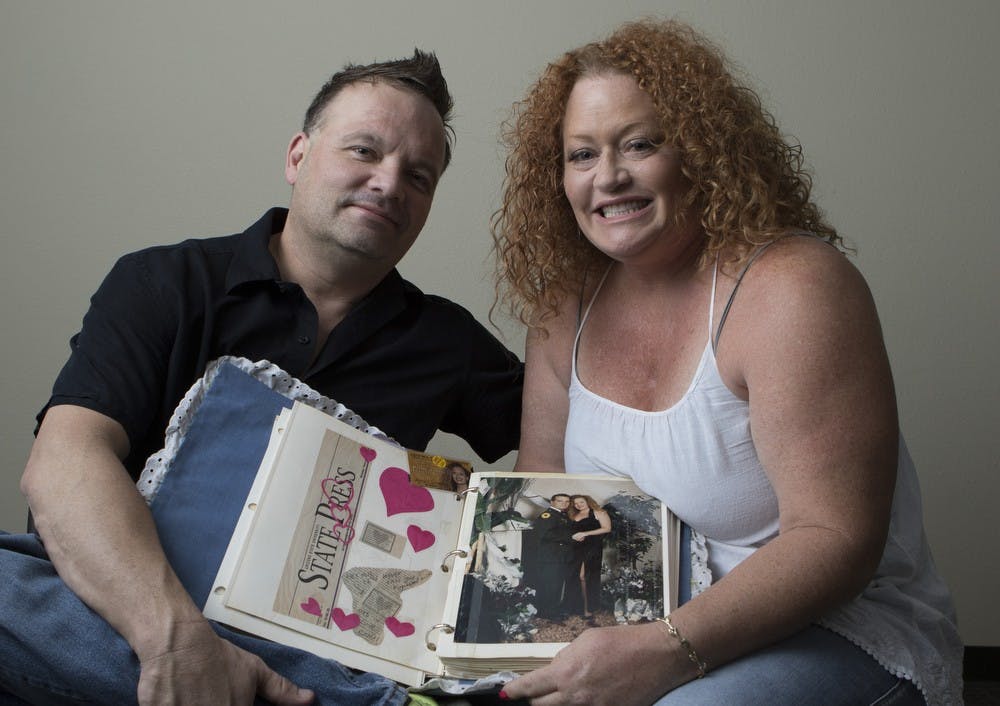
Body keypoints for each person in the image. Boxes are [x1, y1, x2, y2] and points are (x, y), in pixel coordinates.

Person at [2, 50, 523, 705]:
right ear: (298, 155)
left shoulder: (448, 342)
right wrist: (177, 640)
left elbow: (573, 442)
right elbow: (62, 466)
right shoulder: (164, 282)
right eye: (364, 150)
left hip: (313, 652)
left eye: (417, 176)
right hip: (119, 616)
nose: (389, 183)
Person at [492, 19, 962, 706]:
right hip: (628, 631)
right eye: (582, 155)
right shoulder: (564, 310)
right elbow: (545, 505)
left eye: (640, 144)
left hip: (829, 628)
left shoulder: (793, 287)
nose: (609, 177)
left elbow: (836, 539)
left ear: (700, 152)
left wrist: (663, 652)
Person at [523, 493, 576, 619]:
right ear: (552, 502)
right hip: (549, 557)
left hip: (558, 556)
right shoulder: (548, 516)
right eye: (560, 501)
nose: (564, 503)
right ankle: (547, 612)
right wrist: (570, 537)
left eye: (567, 501)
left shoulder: (560, 515)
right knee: (549, 584)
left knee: (556, 584)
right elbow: (544, 535)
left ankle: (551, 610)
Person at [566, 494, 611, 619]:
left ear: (587, 501)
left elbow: (607, 528)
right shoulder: (573, 515)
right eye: (575, 503)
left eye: (581, 502)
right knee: (576, 577)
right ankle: (578, 608)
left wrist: (585, 533)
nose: (578, 505)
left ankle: (588, 609)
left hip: (592, 548)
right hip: (575, 548)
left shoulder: (598, 512)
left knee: (585, 576)